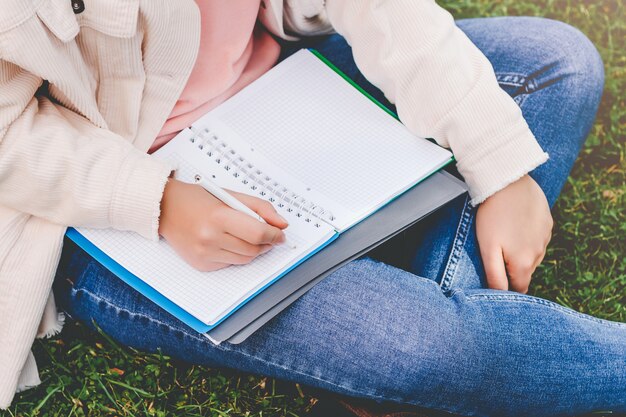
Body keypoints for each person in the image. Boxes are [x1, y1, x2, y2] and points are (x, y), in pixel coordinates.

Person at [0, 0, 622, 415]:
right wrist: (157, 201)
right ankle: (418, 371)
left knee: (556, 59)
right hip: (114, 213)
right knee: (422, 345)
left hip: (285, 96)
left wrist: (501, 165)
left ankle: (398, 389)